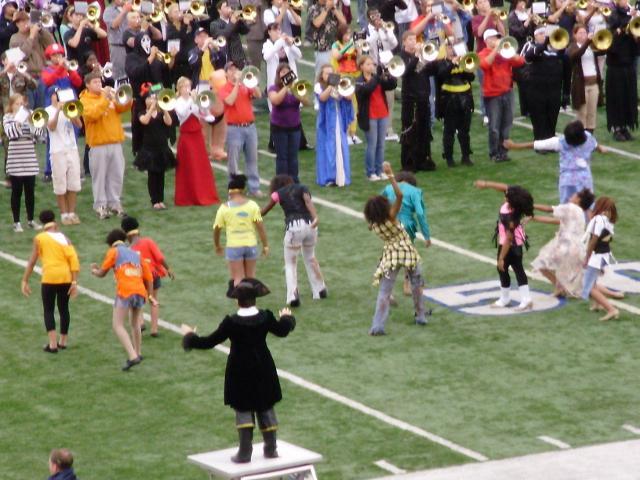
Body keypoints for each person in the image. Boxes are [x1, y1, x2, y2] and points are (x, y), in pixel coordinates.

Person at [181, 278, 296, 463]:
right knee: (265, 405)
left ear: (237, 301)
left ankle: (244, 452)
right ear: (255, 299)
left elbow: (208, 342)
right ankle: (271, 448)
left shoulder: (231, 322)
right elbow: (282, 330)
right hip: (263, 367)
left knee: (243, 407)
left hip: (239, 369)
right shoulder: (265, 316)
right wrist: (286, 317)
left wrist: (190, 336)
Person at [365, 162, 428, 335]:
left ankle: (377, 325)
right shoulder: (392, 217)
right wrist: (391, 175)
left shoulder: (374, 225)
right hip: (407, 252)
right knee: (416, 285)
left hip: (390, 256)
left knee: (385, 292)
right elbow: (399, 195)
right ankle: (420, 315)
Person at [91, 229, 156, 371]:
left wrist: (94, 271)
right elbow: (149, 277)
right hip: (140, 291)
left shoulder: (113, 252)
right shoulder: (136, 254)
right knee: (135, 323)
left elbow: (102, 273)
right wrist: (150, 295)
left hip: (125, 291)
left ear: (111, 243)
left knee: (117, 325)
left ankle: (132, 356)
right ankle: (138, 353)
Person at [261, 174, 328, 306]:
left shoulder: (277, 194)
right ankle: (320, 289)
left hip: (294, 227)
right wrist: (315, 217)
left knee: (290, 263)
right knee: (310, 257)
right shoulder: (302, 188)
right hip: (311, 226)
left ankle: (293, 295)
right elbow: (308, 202)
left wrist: (251, 214)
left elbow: (264, 211)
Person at [503, 120, 606, 204]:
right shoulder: (587, 137)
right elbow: (595, 145)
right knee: (588, 205)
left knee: (566, 207)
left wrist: (515, 146)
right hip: (585, 179)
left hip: (567, 180)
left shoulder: (561, 142)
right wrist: (601, 149)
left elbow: (537, 144)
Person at [21, 210, 80, 353]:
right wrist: (74, 282)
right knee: (64, 308)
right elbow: (74, 260)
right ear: (54, 221)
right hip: (65, 277)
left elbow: (32, 261)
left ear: (42, 222)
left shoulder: (40, 238)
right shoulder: (65, 238)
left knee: (48, 309)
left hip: (49, 278)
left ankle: (52, 344)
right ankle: (63, 342)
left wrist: (25, 280)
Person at [474, 180, 535, 311]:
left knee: (503, 268)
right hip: (517, 241)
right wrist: (486, 184)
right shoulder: (515, 206)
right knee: (518, 269)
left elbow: (508, 238)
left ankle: (507, 298)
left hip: (509, 244)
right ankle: (524, 298)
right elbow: (505, 187)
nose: (505, 194)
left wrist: (501, 257)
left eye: (507, 195)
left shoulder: (509, 215)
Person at [80, 71, 131, 219]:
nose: (99, 84)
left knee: (116, 175)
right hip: (98, 144)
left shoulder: (107, 97)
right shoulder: (84, 100)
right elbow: (92, 115)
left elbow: (123, 108)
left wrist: (123, 97)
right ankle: (100, 206)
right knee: (100, 176)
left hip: (115, 142)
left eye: (99, 81)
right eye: (95, 82)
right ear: (88, 85)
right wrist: (105, 100)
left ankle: (115, 203)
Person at [529, 189, 596, 297]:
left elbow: (548, 209)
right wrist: (534, 218)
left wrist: (529, 205)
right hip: (578, 248)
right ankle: (606, 295)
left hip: (565, 246)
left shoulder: (570, 207)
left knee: (541, 264)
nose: (572, 195)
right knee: (576, 277)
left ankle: (560, 288)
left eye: (575, 194)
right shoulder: (580, 213)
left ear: (578, 199)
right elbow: (556, 221)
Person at [121, 216, 174, 337]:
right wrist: (168, 269)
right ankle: (154, 329)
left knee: (138, 300)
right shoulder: (148, 241)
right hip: (153, 275)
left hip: (138, 277)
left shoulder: (128, 249)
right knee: (153, 300)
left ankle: (140, 322)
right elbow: (160, 257)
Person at [380, 170, 431, 296]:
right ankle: (407, 285)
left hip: (390, 225)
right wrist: (426, 235)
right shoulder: (415, 191)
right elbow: (420, 213)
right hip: (406, 226)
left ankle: (395, 286)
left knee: (391, 253)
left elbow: (378, 203)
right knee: (408, 255)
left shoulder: (388, 188)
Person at [214, 175, 269, 288]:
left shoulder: (224, 208)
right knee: (251, 279)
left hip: (234, 246)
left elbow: (217, 229)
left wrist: (217, 245)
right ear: (243, 190)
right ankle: (251, 304)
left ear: (230, 192)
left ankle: (241, 305)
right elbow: (260, 227)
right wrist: (265, 246)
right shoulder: (252, 205)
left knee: (237, 279)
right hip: (251, 245)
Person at [478, 28, 525, 162]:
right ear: (487, 40)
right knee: (494, 127)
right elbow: (485, 65)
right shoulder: (483, 53)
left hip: (507, 91)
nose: (496, 40)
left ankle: (503, 152)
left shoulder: (505, 53)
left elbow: (521, 61)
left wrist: (508, 52)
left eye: (497, 37)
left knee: (506, 124)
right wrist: (496, 50)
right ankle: (494, 153)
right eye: (493, 38)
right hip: (492, 94)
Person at [218, 61, 264, 197]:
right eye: (230, 70)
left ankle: (254, 188)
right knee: (233, 161)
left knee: (252, 158)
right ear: (226, 74)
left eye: (235, 69)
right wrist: (237, 85)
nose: (234, 72)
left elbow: (258, 94)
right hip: (234, 129)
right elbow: (230, 101)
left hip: (250, 127)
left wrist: (251, 82)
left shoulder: (245, 85)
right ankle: (234, 189)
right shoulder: (224, 89)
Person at [174, 76, 221, 206]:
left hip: (197, 135)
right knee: (189, 166)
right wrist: (192, 101)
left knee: (200, 164)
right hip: (186, 136)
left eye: (188, 86)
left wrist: (203, 108)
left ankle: (204, 193)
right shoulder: (177, 102)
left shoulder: (193, 99)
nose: (187, 89)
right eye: (184, 86)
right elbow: (183, 114)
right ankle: (189, 196)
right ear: (179, 88)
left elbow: (202, 112)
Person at [521, 26, 570, 141]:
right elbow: (528, 56)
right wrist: (545, 43)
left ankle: (550, 141)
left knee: (552, 118)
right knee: (539, 118)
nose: (544, 36)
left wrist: (566, 94)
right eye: (541, 34)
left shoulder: (562, 56)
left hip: (554, 91)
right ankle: (540, 142)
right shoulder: (536, 49)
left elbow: (567, 75)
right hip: (537, 91)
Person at [3, 93, 43, 232]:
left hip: (29, 157)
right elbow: (11, 134)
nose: (21, 106)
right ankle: (16, 222)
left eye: (22, 103)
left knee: (30, 192)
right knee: (17, 192)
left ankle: (31, 220)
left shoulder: (30, 114)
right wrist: (19, 121)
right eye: (17, 104)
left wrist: (31, 123)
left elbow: (38, 134)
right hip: (15, 158)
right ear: (12, 105)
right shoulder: (7, 118)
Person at [44, 87, 83, 225]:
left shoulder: (69, 107)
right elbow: (52, 127)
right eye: (55, 95)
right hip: (57, 151)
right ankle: (64, 214)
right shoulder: (48, 110)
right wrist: (58, 111)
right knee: (60, 185)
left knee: (73, 183)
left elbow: (79, 124)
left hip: (71, 148)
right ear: (51, 97)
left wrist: (70, 112)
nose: (58, 97)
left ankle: (72, 213)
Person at [355, 55, 397, 181]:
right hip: (370, 116)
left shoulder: (376, 78)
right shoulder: (359, 80)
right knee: (372, 145)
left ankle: (379, 170)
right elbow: (366, 90)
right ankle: (370, 172)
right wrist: (378, 78)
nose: (371, 66)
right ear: (361, 66)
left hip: (382, 114)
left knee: (381, 144)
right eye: (367, 64)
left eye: (372, 64)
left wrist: (389, 75)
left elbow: (392, 85)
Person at [134, 85, 176, 209]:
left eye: (153, 98)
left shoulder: (161, 113)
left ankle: (160, 199)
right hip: (149, 149)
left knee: (161, 175)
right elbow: (144, 121)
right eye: (150, 98)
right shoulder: (141, 112)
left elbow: (169, 122)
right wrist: (151, 109)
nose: (152, 100)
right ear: (146, 101)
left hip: (162, 148)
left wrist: (164, 109)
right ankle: (154, 200)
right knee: (152, 175)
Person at [268, 63, 309, 183]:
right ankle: (281, 181)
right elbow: (275, 101)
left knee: (293, 156)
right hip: (279, 127)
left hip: (295, 127)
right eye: (282, 72)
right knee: (282, 157)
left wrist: (296, 90)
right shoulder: (273, 88)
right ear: (278, 75)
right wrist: (286, 87)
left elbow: (306, 102)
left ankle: (294, 180)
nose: (285, 74)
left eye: (287, 72)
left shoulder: (297, 87)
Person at [314, 63, 354, 187]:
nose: (329, 75)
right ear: (321, 75)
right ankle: (328, 177)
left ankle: (341, 176)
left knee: (340, 146)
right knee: (327, 148)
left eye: (331, 73)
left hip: (338, 119)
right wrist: (331, 86)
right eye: (326, 73)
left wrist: (341, 87)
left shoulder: (338, 84)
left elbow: (348, 97)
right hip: (326, 122)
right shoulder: (319, 86)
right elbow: (322, 98)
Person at [436, 45, 475, 167]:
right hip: (449, 101)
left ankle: (466, 156)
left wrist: (464, 65)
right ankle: (449, 157)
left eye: (453, 47)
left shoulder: (463, 61)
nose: (452, 50)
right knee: (449, 131)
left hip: (465, 99)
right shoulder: (441, 63)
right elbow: (441, 76)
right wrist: (452, 64)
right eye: (449, 47)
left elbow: (471, 77)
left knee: (465, 130)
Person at [582, 196, 619, 321]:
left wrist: (587, 257)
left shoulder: (599, 219)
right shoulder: (609, 221)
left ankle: (611, 309)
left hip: (597, 256)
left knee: (588, 287)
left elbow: (593, 240)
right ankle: (597, 304)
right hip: (604, 255)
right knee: (593, 282)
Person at [605, 0, 637, 141]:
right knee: (617, 97)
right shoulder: (613, 15)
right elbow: (612, 34)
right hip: (616, 65)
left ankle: (626, 126)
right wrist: (625, 25)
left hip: (628, 62)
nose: (626, 2)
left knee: (628, 96)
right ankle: (617, 127)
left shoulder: (630, 16)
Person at [9, 10, 55, 108]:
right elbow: (22, 55)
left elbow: (51, 45)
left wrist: (41, 30)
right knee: (29, 108)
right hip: (26, 79)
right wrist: (31, 36)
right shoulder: (14, 38)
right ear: (17, 24)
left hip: (41, 75)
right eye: (23, 21)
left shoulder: (38, 34)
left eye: (28, 20)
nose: (26, 23)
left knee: (42, 108)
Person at [471, 0, 505, 123]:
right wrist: (487, 17)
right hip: (482, 55)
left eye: (485, 1)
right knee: (484, 85)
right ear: (476, 6)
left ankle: (497, 111)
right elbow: (479, 32)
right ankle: (486, 113)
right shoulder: (475, 19)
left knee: (497, 83)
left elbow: (502, 33)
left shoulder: (494, 16)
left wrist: (497, 21)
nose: (484, 4)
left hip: (496, 55)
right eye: (481, 2)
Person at [330, 24, 361, 145]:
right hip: (342, 77)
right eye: (346, 34)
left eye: (350, 34)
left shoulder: (353, 45)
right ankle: (345, 132)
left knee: (354, 105)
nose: (348, 36)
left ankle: (353, 133)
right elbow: (337, 56)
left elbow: (358, 60)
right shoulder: (336, 45)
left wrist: (358, 50)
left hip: (353, 76)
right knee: (344, 105)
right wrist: (349, 44)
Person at [568, 24, 601, 135]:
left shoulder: (592, 47)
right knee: (582, 112)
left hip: (594, 83)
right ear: (575, 35)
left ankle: (590, 135)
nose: (583, 35)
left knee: (592, 112)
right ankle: (581, 135)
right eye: (580, 33)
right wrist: (587, 42)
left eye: (584, 33)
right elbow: (576, 55)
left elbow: (604, 50)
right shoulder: (572, 46)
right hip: (581, 85)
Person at [308, 0, 348, 79]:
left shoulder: (335, 8)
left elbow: (344, 23)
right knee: (322, 76)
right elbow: (316, 24)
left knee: (336, 76)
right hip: (322, 49)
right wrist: (326, 8)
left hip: (336, 48)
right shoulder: (313, 8)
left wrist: (334, 9)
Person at [210, 0, 251, 67]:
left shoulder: (235, 21)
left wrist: (241, 21)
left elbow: (246, 31)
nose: (229, 8)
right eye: (226, 6)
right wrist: (232, 23)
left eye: (230, 6)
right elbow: (222, 36)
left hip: (239, 58)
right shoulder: (214, 24)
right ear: (219, 10)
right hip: (225, 59)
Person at [103, 0, 132, 81]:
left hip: (132, 45)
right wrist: (124, 11)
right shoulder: (108, 10)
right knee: (121, 75)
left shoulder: (131, 7)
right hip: (118, 47)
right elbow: (113, 25)